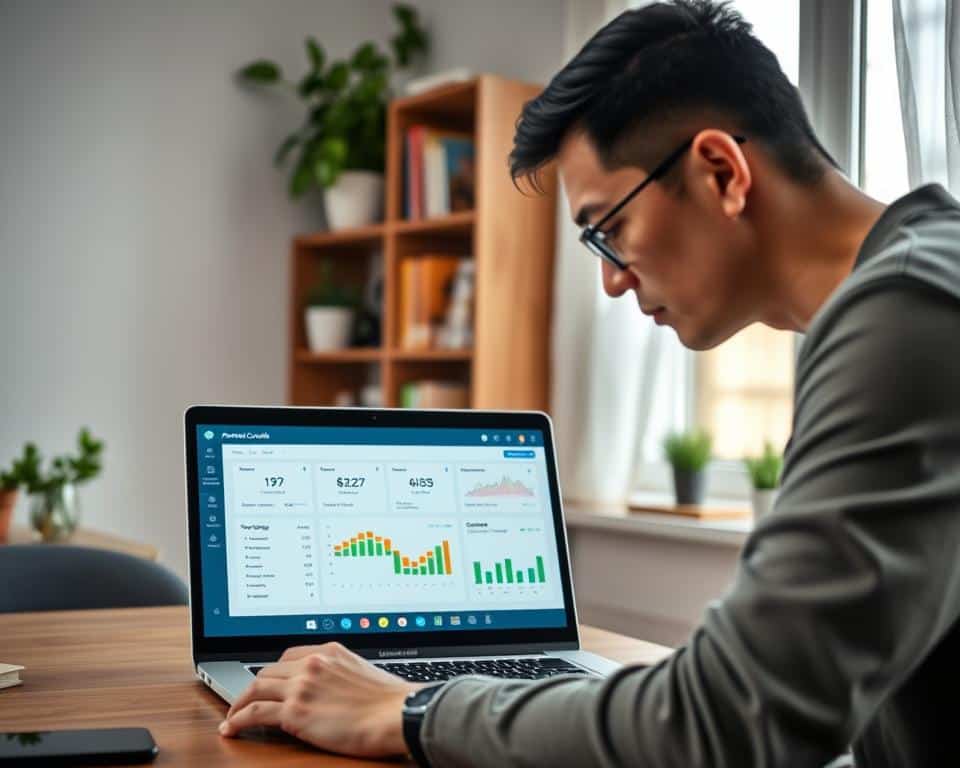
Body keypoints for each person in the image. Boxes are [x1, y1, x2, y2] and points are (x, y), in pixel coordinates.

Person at [218, 2, 960, 765]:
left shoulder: (907, 315)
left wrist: (412, 711)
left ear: (721, 172)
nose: (609, 281)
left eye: (609, 227)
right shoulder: (916, 286)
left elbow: (737, 719)